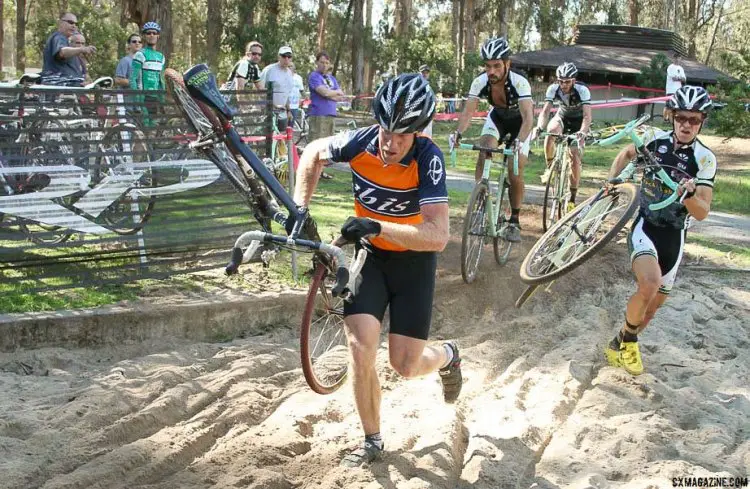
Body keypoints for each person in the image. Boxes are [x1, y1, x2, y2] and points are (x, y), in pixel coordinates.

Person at [292, 73, 462, 467]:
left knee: (405, 365)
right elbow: (314, 152)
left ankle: (449, 355)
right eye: (386, 131)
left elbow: (437, 236)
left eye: (402, 135)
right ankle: (372, 439)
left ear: (418, 133)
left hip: (414, 264)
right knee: (360, 344)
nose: (390, 143)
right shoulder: (361, 142)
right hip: (371, 259)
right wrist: (301, 208)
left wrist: (378, 225)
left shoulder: (427, 158)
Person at [605, 86, 716, 376]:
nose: (687, 125)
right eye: (681, 118)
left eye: (694, 119)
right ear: (672, 117)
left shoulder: (705, 158)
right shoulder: (654, 139)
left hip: (675, 236)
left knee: (652, 308)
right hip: (646, 225)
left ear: (702, 120)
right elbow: (626, 153)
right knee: (649, 284)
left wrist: (688, 196)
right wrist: (612, 181)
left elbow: (702, 212)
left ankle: (620, 341)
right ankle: (630, 343)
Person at [450, 36, 534, 242]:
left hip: (520, 126)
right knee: (484, 148)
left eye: (497, 66)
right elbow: (468, 113)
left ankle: (514, 220)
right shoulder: (480, 82)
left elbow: (528, 118)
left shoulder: (520, 82)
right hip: (497, 119)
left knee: (515, 171)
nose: (491, 72)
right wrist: (458, 133)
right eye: (487, 66)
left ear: (507, 64)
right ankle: (480, 203)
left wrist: (520, 141)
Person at [533, 62, 592, 210]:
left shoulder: (582, 90)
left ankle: (572, 198)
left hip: (579, 121)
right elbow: (545, 112)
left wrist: (583, 132)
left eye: (567, 82)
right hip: (563, 116)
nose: (564, 85)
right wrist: (539, 127)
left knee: (574, 156)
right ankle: (549, 167)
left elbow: (587, 116)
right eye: (561, 81)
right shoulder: (553, 89)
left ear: (573, 80)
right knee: (551, 131)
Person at [307, 51, 345, 179]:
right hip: (318, 114)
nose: (324, 65)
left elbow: (339, 98)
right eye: (322, 62)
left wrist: (333, 93)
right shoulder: (314, 76)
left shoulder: (331, 79)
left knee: (326, 146)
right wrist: (334, 92)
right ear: (317, 62)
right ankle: (310, 172)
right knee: (316, 143)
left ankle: (320, 172)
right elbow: (325, 93)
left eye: (327, 63)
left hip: (331, 114)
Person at [40, 12, 95, 86]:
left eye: (76, 24)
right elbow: (62, 52)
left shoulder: (66, 41)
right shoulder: (58, 37)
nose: (74, 26)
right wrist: (82, 49)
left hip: (68, 90)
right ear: (60, 23)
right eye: (70, 22)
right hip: (57, 90)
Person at [129, 21, 166, 125]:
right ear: (144, 36)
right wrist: (137, 100)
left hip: (155, 98)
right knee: (145, 127)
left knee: (154, 127)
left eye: (154, 33)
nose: (151, 35)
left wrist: (162, 101)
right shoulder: (140, 54)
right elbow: (133, 79)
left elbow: (161, 81)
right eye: (148, 33)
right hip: (143, 97)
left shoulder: (161, 57)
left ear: (158, 36)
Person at [259, 46, 296, 131]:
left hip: (282, 114)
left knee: (281, 140)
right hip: (268, 113)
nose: (286, 59)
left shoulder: (289, 73)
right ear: (279, 57)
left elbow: (286, 94)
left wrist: (288, 110)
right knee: (268, 140)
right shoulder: (269, 70)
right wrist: (272, 105)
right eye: (284, 56)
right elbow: (258, 90)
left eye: (289, 56)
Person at [663, 52, 686, 122]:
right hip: (670, 90)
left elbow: (684, 79)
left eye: (679, 58)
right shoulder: (670, 67)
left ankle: (672, 122)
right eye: (676, 58)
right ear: (673, 59)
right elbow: (673, 78)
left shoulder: (681, 68)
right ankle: (665, 118)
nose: (677, 60)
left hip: (678, 91)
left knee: (676, 107)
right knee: (668, 107)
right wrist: (680, 78)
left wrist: (678, 78)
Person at [419, 64, 434, 138]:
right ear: (419, 73)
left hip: (428, 115)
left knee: (428, 137)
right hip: (419, 115)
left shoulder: (429, 87)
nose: (425, 74)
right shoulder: (416, 85)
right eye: (423, 72)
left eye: (426, 72)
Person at [288, 62, 305, 129]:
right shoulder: (283, 77)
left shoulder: (298, 78)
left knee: (291, 126)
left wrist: (307, 98)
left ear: (294, 68)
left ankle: (289, 139)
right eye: (288, 66)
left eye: (291, 66)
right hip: (285, 106)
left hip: (295, 106)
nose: (289, 68)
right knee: (283, 126)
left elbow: (301, 90)